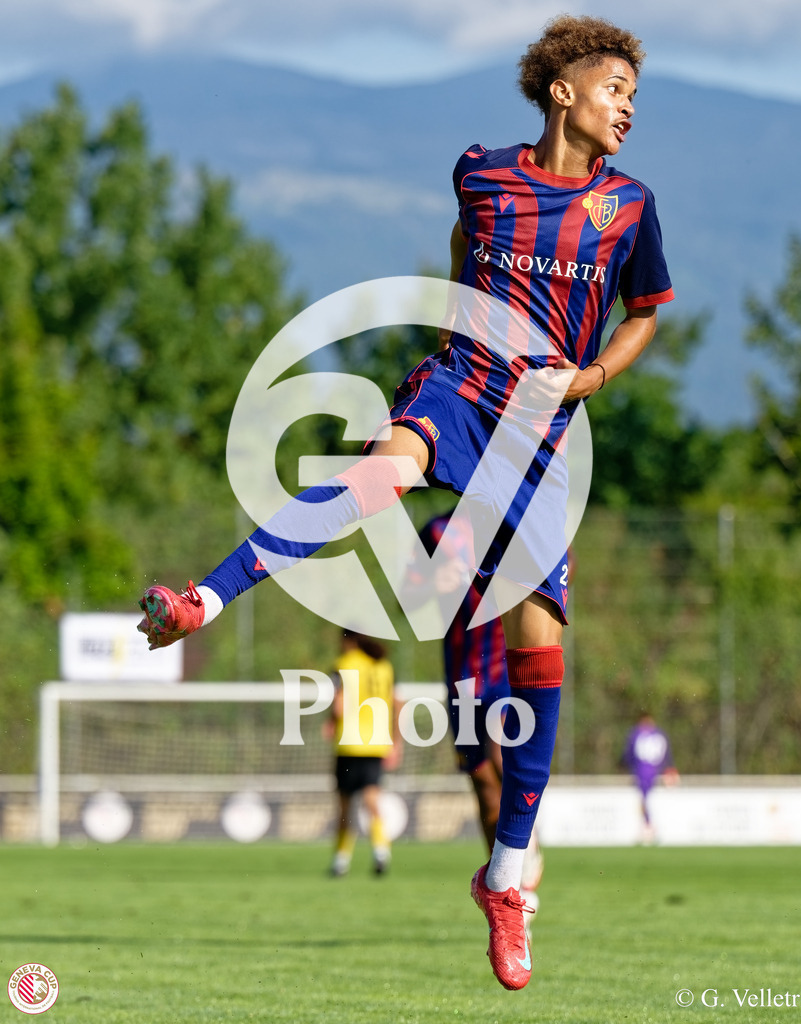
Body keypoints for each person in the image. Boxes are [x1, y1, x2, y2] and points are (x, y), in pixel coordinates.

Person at [138, 13, 673, 989]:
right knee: (373, 476)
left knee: (539, 647)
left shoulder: (631, 207)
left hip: (542, 432)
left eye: (635, 97)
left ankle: (507, 876)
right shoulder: (481, 170)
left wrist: (589, 378)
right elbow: (468, 244)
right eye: (614, 90)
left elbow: (644, 314)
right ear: (563, 92)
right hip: (462, 389)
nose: (627, 108)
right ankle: (203, 600)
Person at [401, 509, 544, 932]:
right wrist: (430, 584)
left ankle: (524, 860)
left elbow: (561, 577)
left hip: (507, 670)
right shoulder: (437, 531)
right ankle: (505, 892)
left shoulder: (526, 520)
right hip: (462, 676)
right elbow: (407, 597)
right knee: (483, 787)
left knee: (504, 763)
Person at [323, 630, 400, 877]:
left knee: (346, 807)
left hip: (350, 743)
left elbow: (339, 702)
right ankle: (381, 851)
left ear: (349, 641)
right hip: (377, 742)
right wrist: (396, 741)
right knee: (371, 801)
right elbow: (396, 702)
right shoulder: (384, 666)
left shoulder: (343, 664)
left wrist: (331, 721)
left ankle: (340, 861)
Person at [621, 712, 679, 843]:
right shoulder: (659, 733)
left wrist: (625, 765)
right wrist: (669, 767)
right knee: (649, 800)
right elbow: (667, 754)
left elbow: (629, 753)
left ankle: (648, 827)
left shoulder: (636, 733)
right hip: (657, 771)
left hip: (642, 772)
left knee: (644, 800)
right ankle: (649, 827)